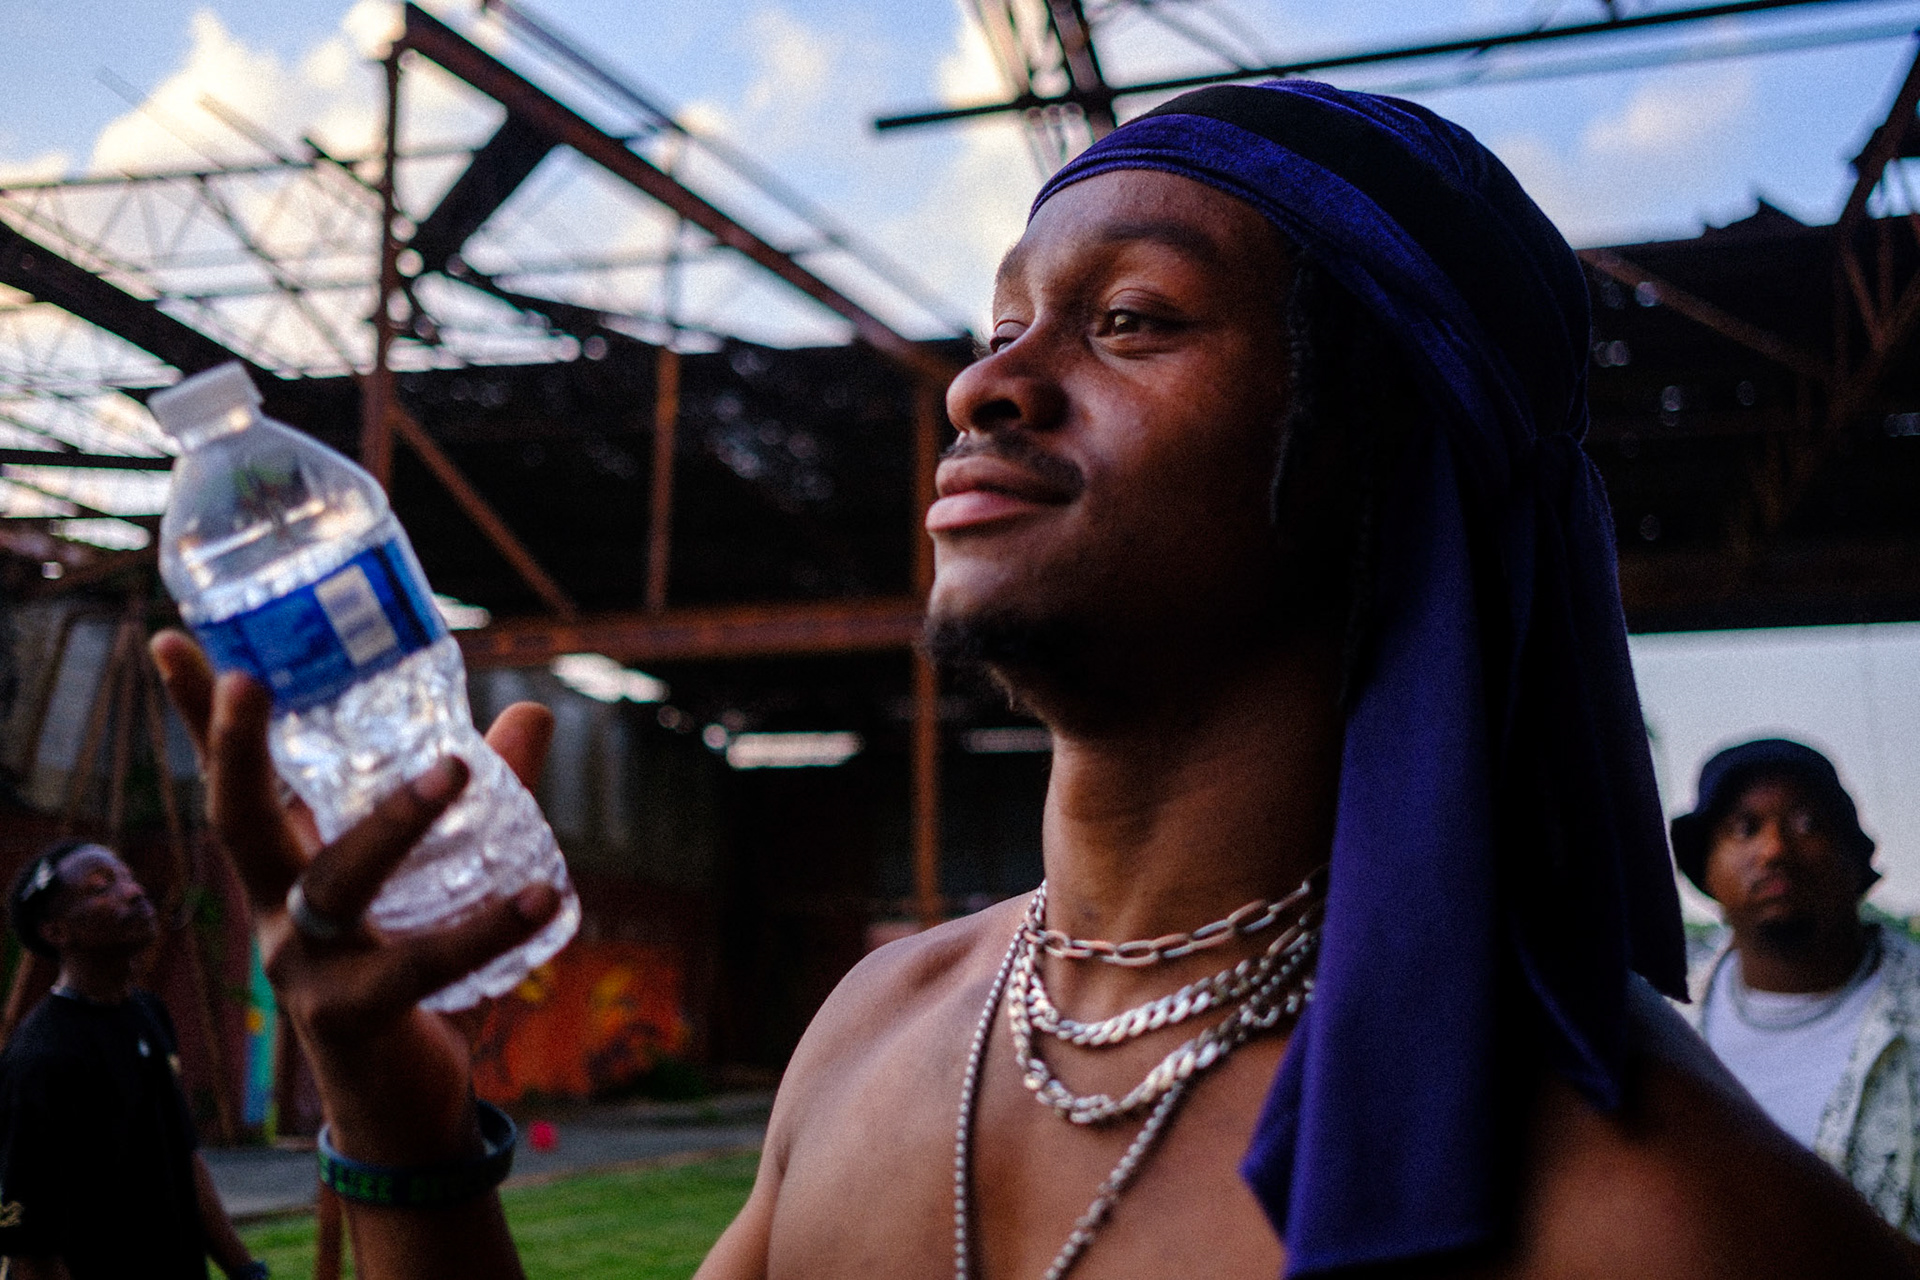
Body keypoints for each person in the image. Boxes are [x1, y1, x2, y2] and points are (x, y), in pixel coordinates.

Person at [150, 80, 1920, 1278]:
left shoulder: (1645, 1208)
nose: (982, 383)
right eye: (1003, 322)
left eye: (1131, 317)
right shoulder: (879, 1027)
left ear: (1389, 460)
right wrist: (388, 1094)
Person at [1672, 737, 1920, 1236]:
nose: (1774, 849)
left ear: (1855, 858)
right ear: (1706, 869)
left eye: (1807, 824)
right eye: (1744, 828)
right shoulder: (1661, 1023)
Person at [0, 840, 266, 1280]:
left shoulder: (147, 1014)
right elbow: (31, 1248)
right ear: (56, 932)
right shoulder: (42, 1059)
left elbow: (183, 1157)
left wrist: (246, 1271)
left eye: (128, 877)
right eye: (100, 887)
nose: (134, 892)